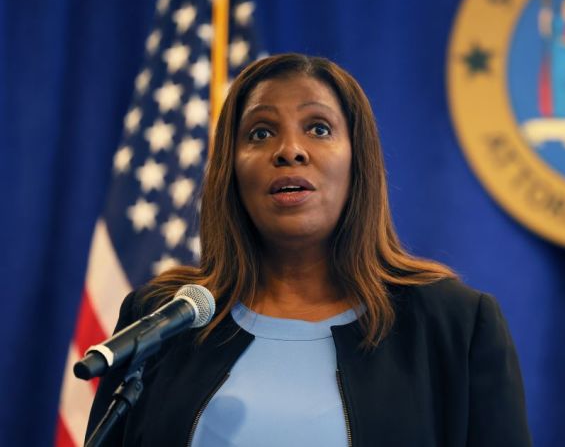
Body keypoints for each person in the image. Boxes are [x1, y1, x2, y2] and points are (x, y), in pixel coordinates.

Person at [86, 53, 531, 446]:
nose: (290, 150)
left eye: (318, 128)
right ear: (231, 170)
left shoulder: (454, 326)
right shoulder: (164, 321)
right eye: (260, 133)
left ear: (359, 161)